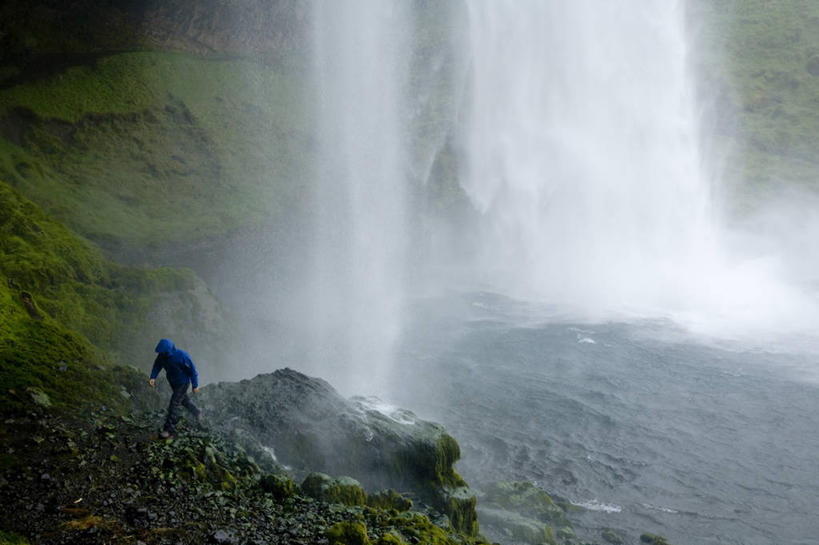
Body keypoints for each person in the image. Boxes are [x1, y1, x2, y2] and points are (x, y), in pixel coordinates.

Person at [149, 338, 201, 438]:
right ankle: (197, 412)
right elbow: (157, 366)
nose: (161, 354)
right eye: (161, 352)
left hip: (183, 383)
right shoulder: (162, 356)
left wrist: (195, 385)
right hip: (173, 383)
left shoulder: (182, 356)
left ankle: (169, 430)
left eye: (163, 352)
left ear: (168, 350)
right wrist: (153, 377)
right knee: (184, 401)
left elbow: (192, 371)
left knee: (174, 404)